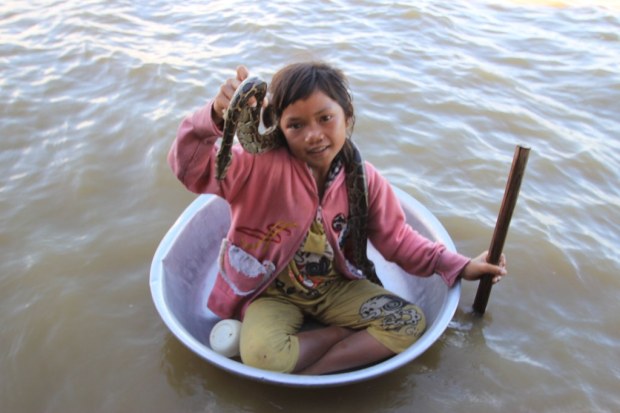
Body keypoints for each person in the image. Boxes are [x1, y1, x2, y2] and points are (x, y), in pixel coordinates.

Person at [168, 62, 507, 375]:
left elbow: (398, 239)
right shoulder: (255, 167)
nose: (313, 135)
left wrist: (459, 266)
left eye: (325, 118)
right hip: (268, 291)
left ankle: (313, 375)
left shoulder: (365, 179)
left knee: (408, 322)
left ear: (348, 117)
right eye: (296, 125)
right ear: (278, 129)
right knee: (261, 356)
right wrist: (214, 115)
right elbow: (188, 168)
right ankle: (338, 337)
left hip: (335, 287)